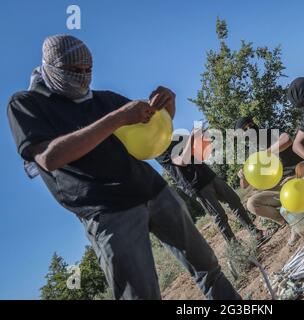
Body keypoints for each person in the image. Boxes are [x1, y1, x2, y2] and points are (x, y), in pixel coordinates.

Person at [7, 34, 240, 300]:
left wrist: (165, 111)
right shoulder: (26, 104)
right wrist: (116, 119)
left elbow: (149, 139)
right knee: (140, 296)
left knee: (209, 268)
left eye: (88, 70)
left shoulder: (105, 99)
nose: (83, 76)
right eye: (74, 71)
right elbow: (49, 157)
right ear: (50, 68)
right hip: (107, 212)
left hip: (154, 191)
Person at [156, 132, 266, 243]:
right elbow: (183, 161)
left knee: (235, 201)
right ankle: (236, 249)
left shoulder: (175, 137)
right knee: (219, 216)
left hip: (209, 175)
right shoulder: (157, 150)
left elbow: (197, 152)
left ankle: (255, 233)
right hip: (196, 185)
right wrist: (191, 139)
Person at [234, 117, 304, 245]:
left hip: (297, 174)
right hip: (280, 187)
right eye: (245, 129)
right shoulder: (252, 153)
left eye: (251, 125)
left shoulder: (271, 133)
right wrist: (242, 176)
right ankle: (291, 222)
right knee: (252, 203)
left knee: (293, 191)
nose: (250, 129)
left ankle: (301, 216)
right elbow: (244, 186)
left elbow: (287, 140)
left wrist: (266, 153)